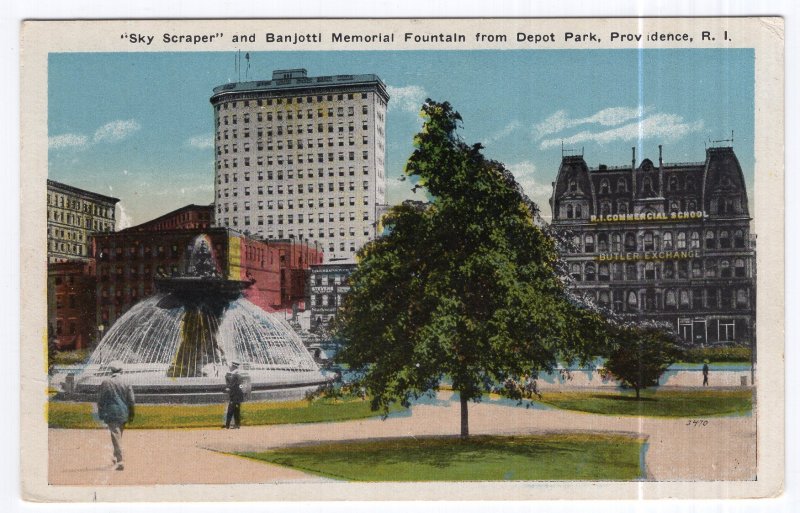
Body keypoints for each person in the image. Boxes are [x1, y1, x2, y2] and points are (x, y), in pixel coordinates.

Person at [97, 360, 135, 471]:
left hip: (111, 412)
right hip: (124, 413)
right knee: (118, 435)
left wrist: (100, 412)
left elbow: (100, 400)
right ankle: (116, 456)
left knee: (115, 435)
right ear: (122, 370)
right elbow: (131, 400)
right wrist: (132, 414)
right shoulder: (126, 382)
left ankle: (120, 460)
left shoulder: (106, 382)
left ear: (111, 370)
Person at [224, 360, 244, 429]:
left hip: (234, 396)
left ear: (233, 367)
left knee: (230, 411)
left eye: (231, 366)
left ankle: (227, 425)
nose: (230, 367)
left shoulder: (234, 375)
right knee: (236, 411)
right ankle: (237, 425)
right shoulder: (238, 374)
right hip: (238, 396)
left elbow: (232, 385)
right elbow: (241, 385)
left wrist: (229, 389)